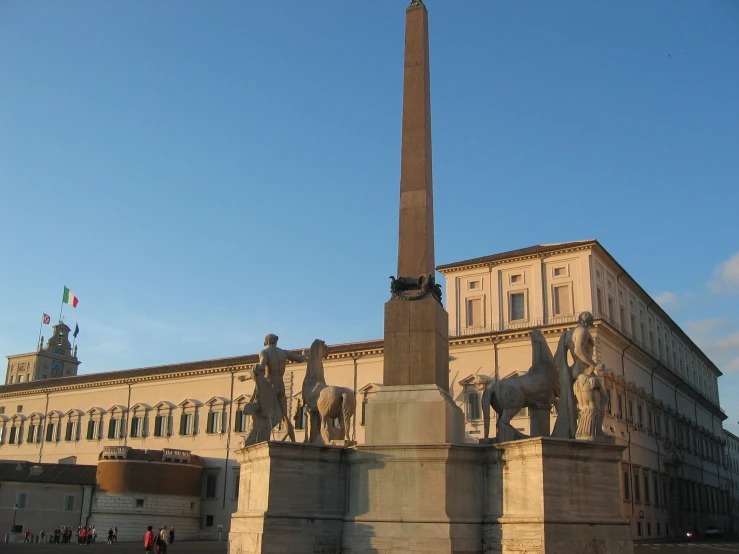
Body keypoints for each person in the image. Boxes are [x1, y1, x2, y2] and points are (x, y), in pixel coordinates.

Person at [552, 311, 604, 439]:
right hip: (583, 370)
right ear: (590, 322)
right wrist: (593, 364)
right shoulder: (583, 331)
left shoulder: (568, 333)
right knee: (602, 399)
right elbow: (578, 350)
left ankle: (582, 429)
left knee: (580, 404)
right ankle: (594, 431)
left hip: (575, 370)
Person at [255, 334, 309, 441]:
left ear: (267, 342)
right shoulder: (283, 353)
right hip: (281, 385)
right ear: (275, 342)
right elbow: (300, 359)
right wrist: (305, 354)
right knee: (284, 415)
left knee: (262, 411)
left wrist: (251, 372)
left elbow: (261, 366)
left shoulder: (264, 352)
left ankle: (260, 437)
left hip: (269, 385)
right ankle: (292, 439)